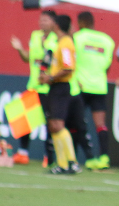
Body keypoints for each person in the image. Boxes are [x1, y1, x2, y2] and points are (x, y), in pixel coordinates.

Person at [10, 10, 57, 166]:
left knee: (48, 123)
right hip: (33, 85)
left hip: (48, 88)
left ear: (53, 22)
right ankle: (23, 153)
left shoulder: (56, 38)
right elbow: (28, 58)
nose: (42, 23)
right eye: (41, 20)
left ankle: (47, 156)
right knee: (26, 121)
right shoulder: (35, 35)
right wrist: (19, 48)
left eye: (46, 20)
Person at [72, 11, 115, 170]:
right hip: (99, 86)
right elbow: (107, 66)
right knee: (101, 125)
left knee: (77, 123)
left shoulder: (77, 37)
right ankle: (104, 157)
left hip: (80, 86)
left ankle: (82, 158)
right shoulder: (107, 40)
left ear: (80, 22)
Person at [39, 14, 81, 175]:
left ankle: (72, 162)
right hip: (55, 86)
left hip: (61, 87)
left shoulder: (65, 43)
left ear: (56, 26)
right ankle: (62, 163)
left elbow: (68, 68)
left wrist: (50, 77)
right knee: (53, 125)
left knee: (58, 125)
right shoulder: (60, 42)